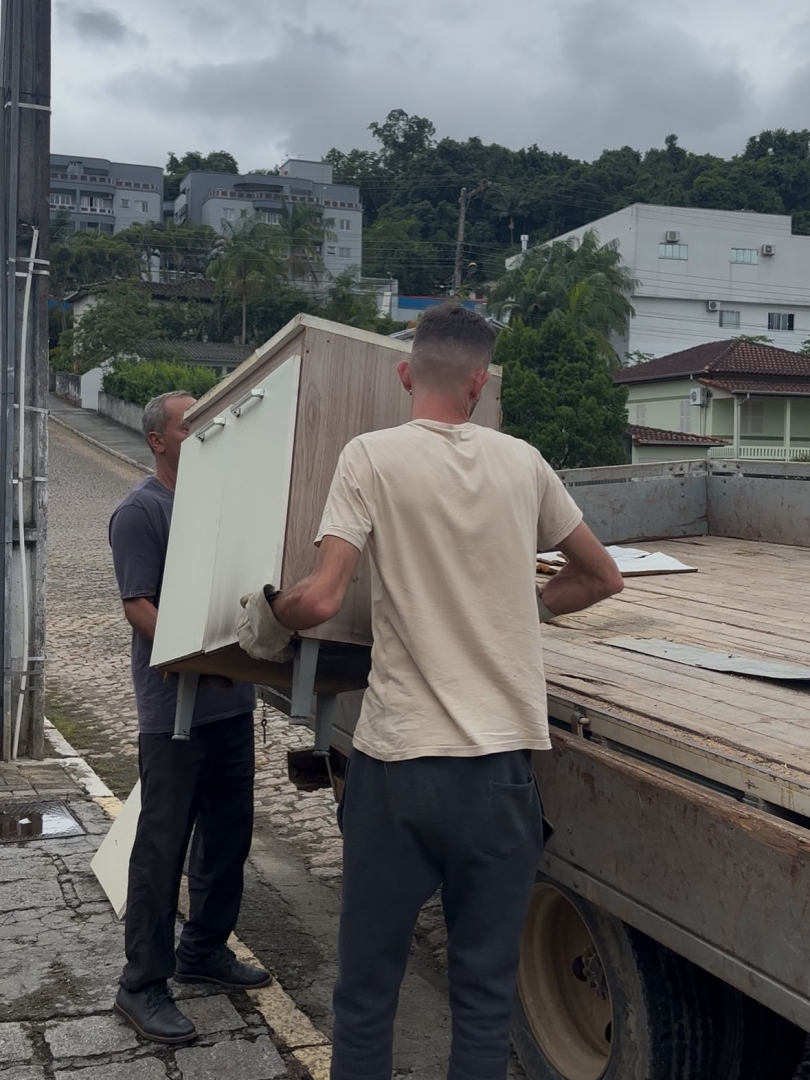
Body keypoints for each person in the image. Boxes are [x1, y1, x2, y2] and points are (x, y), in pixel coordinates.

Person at [237, 304, 624, 1080]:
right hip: (499, 777)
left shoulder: (371, 457)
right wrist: (523, 609)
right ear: (480, 384)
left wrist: (268, 617)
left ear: (406, 373)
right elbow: (602, 577)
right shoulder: (525, 463)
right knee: (483, 998)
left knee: (368, 991)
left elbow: (321, 597)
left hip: (400, 768)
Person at [109, 390, 268, 1046]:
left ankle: (204, 948)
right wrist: (190, 654)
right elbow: (137, 605)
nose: (204, 431)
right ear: (158, 440)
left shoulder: (217, 505)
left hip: (231, 704)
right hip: (173, 714)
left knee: (228, 837)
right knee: (162, 849)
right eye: (190, 424)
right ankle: (142, 983)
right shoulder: (140, 511)